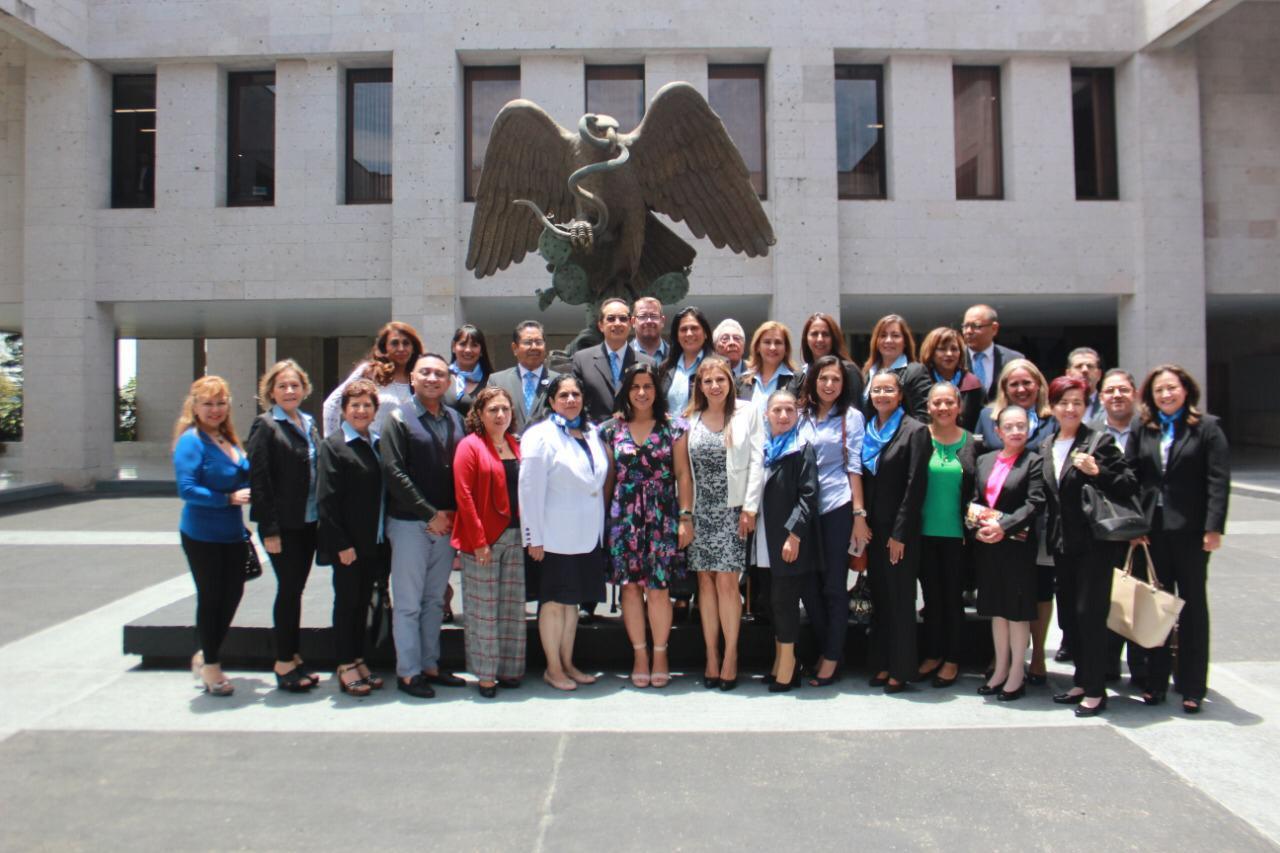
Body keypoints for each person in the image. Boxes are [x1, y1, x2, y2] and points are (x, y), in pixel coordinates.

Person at [1130, 364, 1229, 715]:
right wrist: (1133, 525)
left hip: (1190, 532)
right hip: (1152, 532)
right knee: (1156, 607)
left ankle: (1191, 685)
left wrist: (1213, 527)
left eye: (1171, 388)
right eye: (1159, 390)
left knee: (1192, 608)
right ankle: (1155, 682)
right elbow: (1133, 475)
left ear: (1186, 390)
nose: (1166, 395)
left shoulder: (1207, 428)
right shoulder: (1144, 428)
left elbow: (1218, 480)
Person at [1042, 375, 1136, 717]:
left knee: (1090, 614)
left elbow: (1128, 484)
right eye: (1063, 402)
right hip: (1062, 544)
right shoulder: (1048, 443)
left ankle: (1096, 690)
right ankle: (1081, 680)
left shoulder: (1099, 441)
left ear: (1086, 406)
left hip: (1094, 544)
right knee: (1068, 616)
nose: (1070, 409)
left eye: (1077, 403)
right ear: (1052, 407)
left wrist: (1098, 472)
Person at [600, 363, 693, 688]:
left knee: (658, 589)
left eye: (648, 386)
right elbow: (608, 479)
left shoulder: (674, 428)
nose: (641, 393)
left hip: (662, 515)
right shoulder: (611, 430)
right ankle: (639, 654)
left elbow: (683, 475)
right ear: (626, 391)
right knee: (629, 587)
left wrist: (685, 517)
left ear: (657, 391)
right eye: (635, 386)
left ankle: (660, 652)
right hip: (623, 517)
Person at [381, 353, 467, 699]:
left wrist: (451, 515)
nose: (433, 378)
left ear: (448, 381)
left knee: (435, 600)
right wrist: (429, 513)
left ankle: (431, 664)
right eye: (426, 373)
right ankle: (408, 672)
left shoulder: (457, 420)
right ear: (413, 379)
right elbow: (394, 472)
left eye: (440, 374)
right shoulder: (398, 419)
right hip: (411, 524)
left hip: (447, 526)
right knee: (408, 602)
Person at [519, 374, 609, 691]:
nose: (571, 400)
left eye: (575, 394)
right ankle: (552, 667)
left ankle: (568, 662)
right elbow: (529, 488)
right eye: (564, 395)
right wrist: (534, 537)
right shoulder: (538, 435)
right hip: (553, 537)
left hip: (585, 536)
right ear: (552, 400)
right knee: (554, 603)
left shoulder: (591, 432)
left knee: (572, 604)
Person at [679, 355, 763, 691]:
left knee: (728, 583)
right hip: (701, 511)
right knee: (705, 583)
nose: (715, 387)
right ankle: (711, 654)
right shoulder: (689, 418)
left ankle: (731, 655)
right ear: (699, 385)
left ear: (731, 382)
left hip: (733, 509)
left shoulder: (747, 412)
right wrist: (685, 515)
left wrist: (751, 507)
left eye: (721, 380)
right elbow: (683, 471)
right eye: (708, 381)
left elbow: (758, 460)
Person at [974, 357, 1061, 674]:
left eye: (1028, 382)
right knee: (1002, 593)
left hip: (1038, 517)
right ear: (1004, 388)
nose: (1021, 388)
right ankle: (1004, 658)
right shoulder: (987, 416)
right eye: (1014, 383)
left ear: (1038, 385)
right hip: (996, 521)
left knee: (1038, 588)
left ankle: (1036, 656)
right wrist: (984, 519)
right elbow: (981, 463)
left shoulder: (1052, 419)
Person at [173, 376, 251, 697]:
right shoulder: (191, 441)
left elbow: (245, 474)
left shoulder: (226, 438)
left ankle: (206, 652)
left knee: (232, 596)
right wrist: (227, 499)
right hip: (202, 534)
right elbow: (186, 488)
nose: (215, 410)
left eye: (220, 403)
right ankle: (212, 667)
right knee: (211, 598)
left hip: (232, 533)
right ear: (194, 406)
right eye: (208, 403)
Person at [796, 355, 870, 687]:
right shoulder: (801, 415)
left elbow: (854, 464)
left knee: (834, 587)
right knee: (809, 586)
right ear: (813, 381)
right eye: (823, 378)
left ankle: (831, 657)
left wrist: (858, 514)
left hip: (838, 506)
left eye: (836, 380)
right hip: (804, 509)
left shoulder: (851, 417)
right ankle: (829, 650)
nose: (829, 385)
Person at [247, 359, 321, 692]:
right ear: (271, 392)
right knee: (288, 591)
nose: (289, 391)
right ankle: (282, 661)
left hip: (309, 521)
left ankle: (294, 655)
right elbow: (259, 480)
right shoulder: (265, 426)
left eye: (294, 385)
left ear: (304, 388)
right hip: (283, 527)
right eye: (282, 386)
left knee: (296, 590)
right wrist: (270, 529)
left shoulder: (308, 421)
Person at [452, 386, 526, 699]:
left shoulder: (515, 444)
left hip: (515, 534)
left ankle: (509, 670)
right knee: (483, 610)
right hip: (483, 539)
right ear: (480, 415)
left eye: (505, 409)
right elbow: (464, 495)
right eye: (493, 410)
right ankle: (486, 675)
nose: (500, 415)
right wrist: (479, 540)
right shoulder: (470, 446)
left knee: (511, 609)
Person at [315, 379, 389, 697]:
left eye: (367, 405)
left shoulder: (376, 442)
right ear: (344, 410)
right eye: (354, 405)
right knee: (346, 604)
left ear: (375, 411)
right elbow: (326, 501)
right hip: (349, 545)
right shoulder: (333, 445)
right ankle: (345, 663)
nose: (361, 410)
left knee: (362, 603)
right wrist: (341, 544)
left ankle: (359, 658)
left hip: (375, 542)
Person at [862, 370, 931, 694]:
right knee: (880, 599)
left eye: (888, 390)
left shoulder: (914, 430)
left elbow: (915, 485)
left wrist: (899, 534)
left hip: (898, 533)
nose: (882, 395)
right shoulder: (868, 430)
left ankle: (902, 668)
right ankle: (882, 661)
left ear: (900, 395)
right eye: (877, 390)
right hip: (873, 530)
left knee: (901, 601)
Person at [972, 404, 1046, 702]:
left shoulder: (1034, 461)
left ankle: (1017, 671)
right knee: (997, 611)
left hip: (1018, 546)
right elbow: (975, 498)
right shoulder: (985, 460)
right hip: (988, 545)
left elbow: (1034, 503)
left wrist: (1004, 526)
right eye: (1010, 427)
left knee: (1016, 612)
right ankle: (1000, 668)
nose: (1016, 431)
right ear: (998, 431)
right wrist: (976, 525)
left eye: (1021, 426)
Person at [754, 388, 821, 694]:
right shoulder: (763, 448)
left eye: (789, 411)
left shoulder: (801, 447)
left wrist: (794, 534)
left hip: (787, 541)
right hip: (762, 540)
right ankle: (780, 661)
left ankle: (788, 666)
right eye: (777, 411)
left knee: (786, 604)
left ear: (797, 415)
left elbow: (808, 497)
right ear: (766, 415)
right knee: (771, 603)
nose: (783, 416)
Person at [916, 382, 979, 688]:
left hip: (957, 536)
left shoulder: (972, 443)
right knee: (930, 599)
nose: (943, 408)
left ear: (959, 406)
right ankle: (933, 653)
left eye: (948, 403)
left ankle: (952, 658)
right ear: (928, 407)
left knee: (952, 599)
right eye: (936, 403)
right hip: (924, 533)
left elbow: (978, 492)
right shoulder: (919, 438)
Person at [1097, 368, 1146, 683]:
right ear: (1101, 398)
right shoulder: (1090, 434)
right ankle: (1108, 665)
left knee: (1139, 601)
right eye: (1110, 391)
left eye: (1123, 390)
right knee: (1107, 598)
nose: (1117, 396)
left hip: (1144, 532)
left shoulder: (1149, 432)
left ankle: (1143, 672)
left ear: (1135, 394)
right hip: (1103, 529)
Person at [322, 321, 423, 436]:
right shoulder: (370, 372)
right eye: (395, 343)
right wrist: (332, 446)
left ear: (413, 348)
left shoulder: (416, 378)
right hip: (372, 450)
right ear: (384, 348)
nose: (401, 348)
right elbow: (332, 404)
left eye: (406, 343)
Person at [572, 297, 655, 423]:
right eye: (611, 318)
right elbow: (575, 400)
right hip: (594, 436)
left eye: (623, 318)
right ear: (600, 325)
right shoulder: (582, 360)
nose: (617, 323)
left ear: (631, 323)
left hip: (634, 437)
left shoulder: (648, 363)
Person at [487, 320, 559, 435]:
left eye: (539, 342)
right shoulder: (497, 381)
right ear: (515, 348)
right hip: (508, 449)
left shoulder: (558, 381)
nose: (534, 347)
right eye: (528, 342)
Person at [860, 314, 931, 422]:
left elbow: (923, 415)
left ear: (905, 342)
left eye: (895, 336)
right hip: (870, 437)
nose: (888, 340)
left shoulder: (915, 371)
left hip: (902, 437)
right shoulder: (868, 372)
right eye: (883, 335)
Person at [792, 311, 864, 408]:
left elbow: (855, 412)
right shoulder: (802, 376)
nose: (820, 339)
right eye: (814, 334)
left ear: (834, 338)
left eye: (825, 334)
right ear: (806, 338)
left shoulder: (848, 371)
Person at [919, 326, 985, 432]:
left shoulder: (973, 384)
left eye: (954, 349)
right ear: (931, 352)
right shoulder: (920, 382)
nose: (949, 354)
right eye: (942, 349)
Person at [659, 306, 714, 416]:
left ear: (706, 333)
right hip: (669, 432)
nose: (689, 333)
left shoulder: (718, 365)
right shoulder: (665, 367)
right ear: (677, 336)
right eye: (683, 329)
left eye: (694, 328)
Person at [962, 304, 1023, 402]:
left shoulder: (1014, 359)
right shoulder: (955, 359)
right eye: (965, 326)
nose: (968, 331)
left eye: (975, 326)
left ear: (994, 328)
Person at [737, 320, 796, 414]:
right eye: (767, 342)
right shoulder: (741, 382)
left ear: (786, 349)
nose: (772, 347)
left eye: (778, 342)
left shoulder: (796, 381)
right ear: (757, 347)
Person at [444, 323, 494, 419]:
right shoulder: (442, 377)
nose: (468, 350)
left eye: (474, 345)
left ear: (481, 351)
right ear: (454, 347)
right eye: (462, 344)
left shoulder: (492, 381)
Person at [1066, 347, 1105, 422]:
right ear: (1068, 374)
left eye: (1090, 366)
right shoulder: (1056, 409)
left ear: (1099, 374)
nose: (1085, 370)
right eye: (1079, 366)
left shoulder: (1109, 407)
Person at [630, 296, 668, 361]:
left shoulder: (677, 356)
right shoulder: (622, 356)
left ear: (662, 321)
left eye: (654, 316)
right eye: (643, 316)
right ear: (633, 322)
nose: (649, 321)